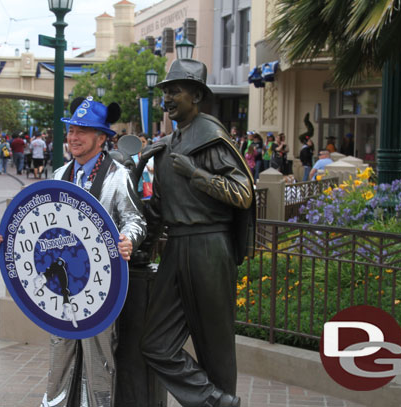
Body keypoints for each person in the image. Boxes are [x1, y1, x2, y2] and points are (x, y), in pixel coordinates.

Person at [0, 98, 146, 407]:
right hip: (62, 287)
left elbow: (135, 218)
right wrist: (9, 237)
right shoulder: (60, 172)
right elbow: (40, 220)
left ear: (102, 138)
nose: (74, 137)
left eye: (83, 131)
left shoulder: (118, 176)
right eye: (71, 130)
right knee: (59, 352)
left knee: (98, 358)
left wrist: (129, 237)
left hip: (99, 286)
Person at [139, 59, 254, 407]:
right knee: (155, 344)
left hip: (208, 246)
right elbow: (158, 208)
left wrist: (196, 174)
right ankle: (215, 401)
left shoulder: (211, 137)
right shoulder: (165, 145)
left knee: (215, 346)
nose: (167, 98)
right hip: (176, 248)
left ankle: (220, 398)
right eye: (165, 92)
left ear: (197, 95)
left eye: (175, 91)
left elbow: (242, 193)